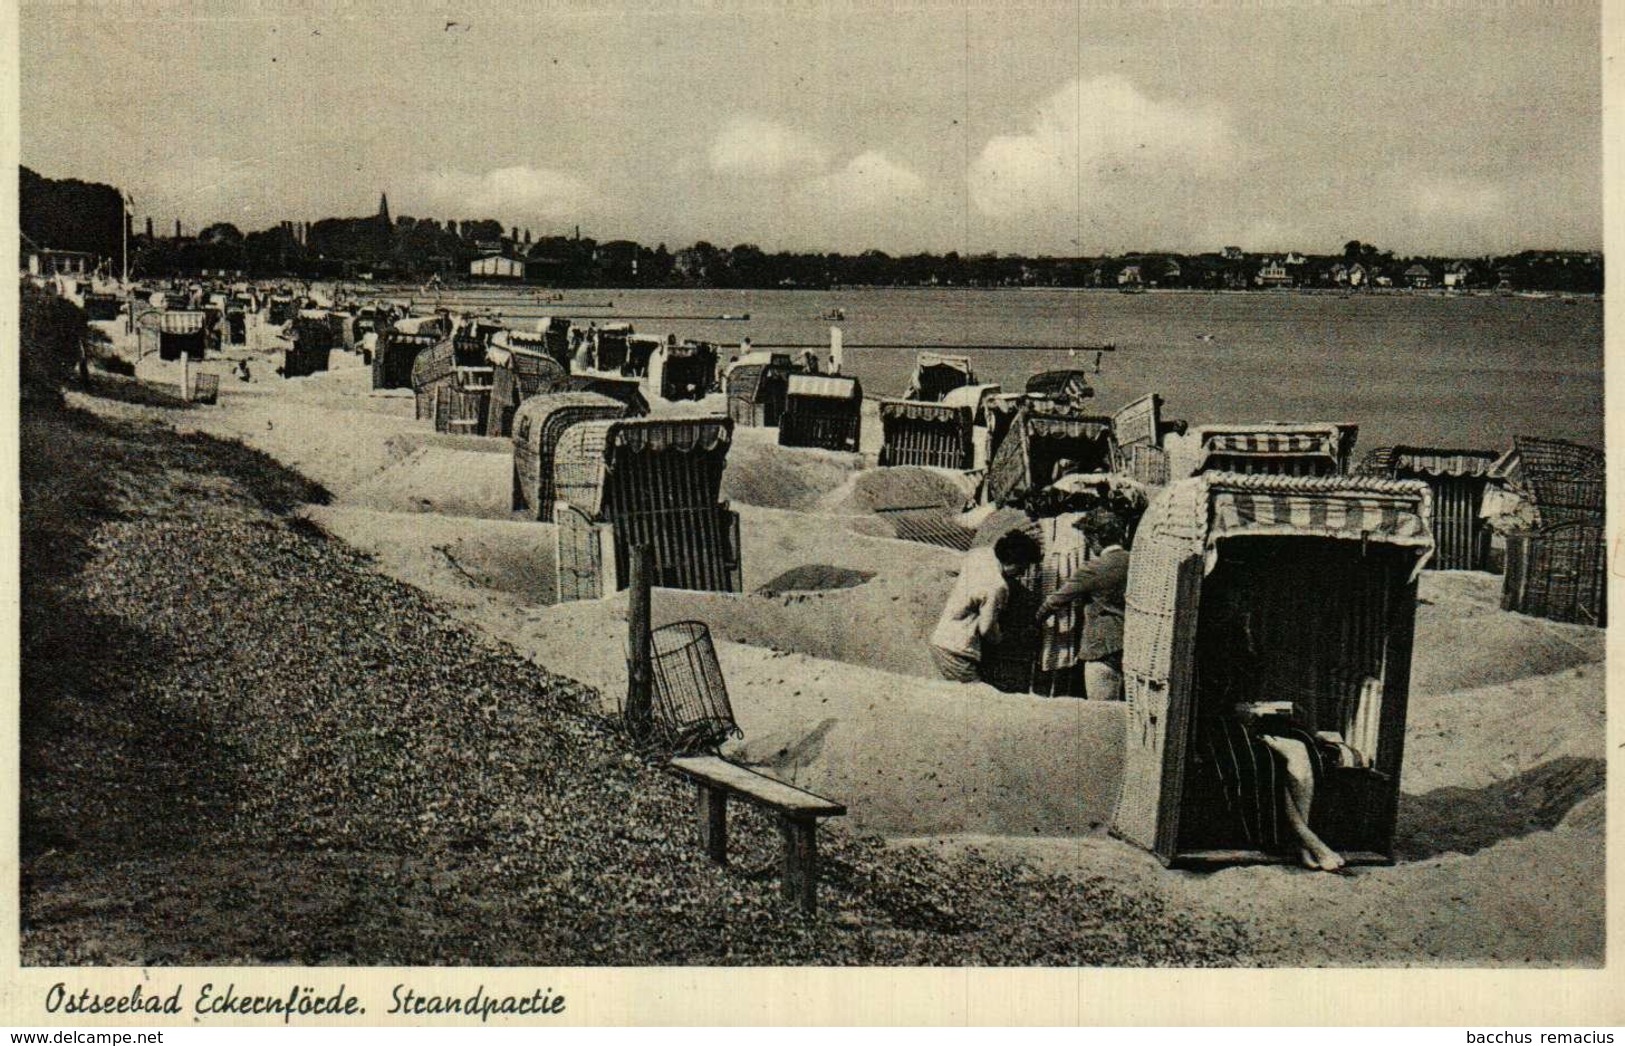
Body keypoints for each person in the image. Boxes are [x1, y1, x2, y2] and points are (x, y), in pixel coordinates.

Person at [1037, 507, 1130, 700]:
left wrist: (1035, 620)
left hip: (1101, 648)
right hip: (1130, 646)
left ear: (1094, 539)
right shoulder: (1135, 561)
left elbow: (1056, 600)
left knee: (1102, 711)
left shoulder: (1094, 568)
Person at [929, 530, 1043, 684]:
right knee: (978, 695)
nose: (1022, 573)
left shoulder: (981, 555)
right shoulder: (997, 587)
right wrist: (1003, 640)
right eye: (1022, 567)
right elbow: (987, 628)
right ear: (1014, 561)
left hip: (943, 639)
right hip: (958, 650)